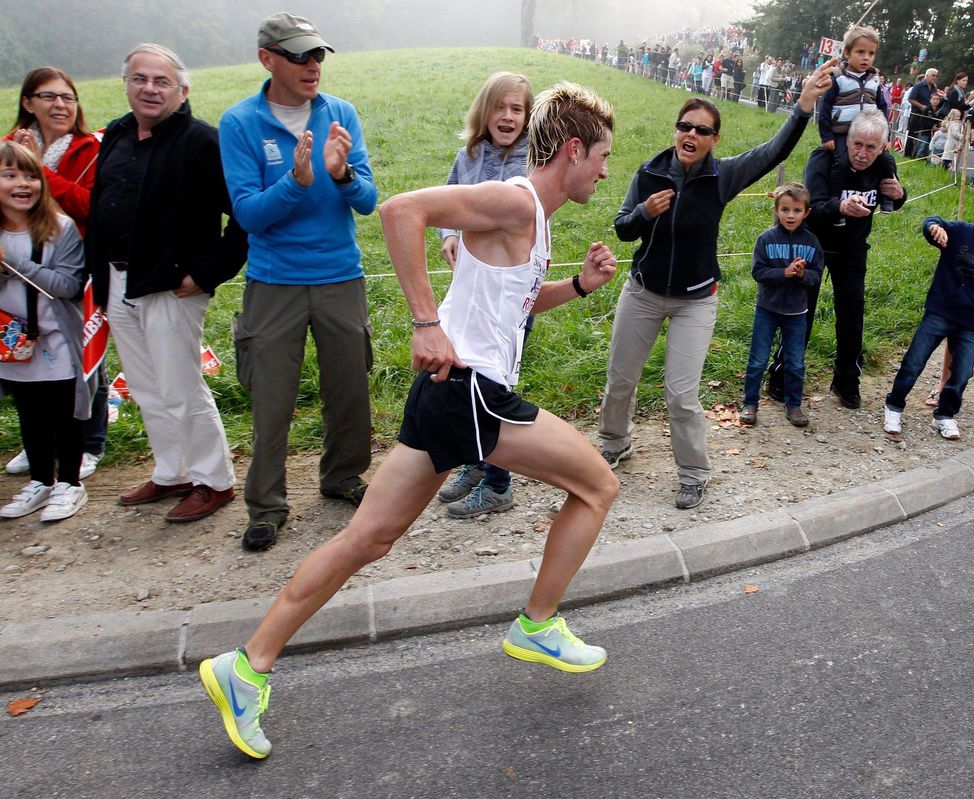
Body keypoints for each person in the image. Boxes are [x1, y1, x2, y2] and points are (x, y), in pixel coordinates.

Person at [199, 80, 620, 760]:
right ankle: (538, 623)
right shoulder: (515, 198)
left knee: (367, 539)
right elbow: (399, 211)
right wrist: (425, 321)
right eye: (602, 155)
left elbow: (507, 306)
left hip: (446, 393)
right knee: (599, 485)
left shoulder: (531, 216)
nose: (605, 170)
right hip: (470, 393)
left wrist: (576, 287)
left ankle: (246, 666)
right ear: (573, 150)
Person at [597, 58, 836, 510]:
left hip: (695, 301)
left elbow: (773, 153)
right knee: (620, 379)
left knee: (681, 392)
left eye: (702, 130)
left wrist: (803, 108)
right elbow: (623, 229)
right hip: (643, 293)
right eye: (685, 126)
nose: (691, 135)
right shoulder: (648, 174)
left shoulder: (721, 176)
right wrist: (645, 212)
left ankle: (693, 472)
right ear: (676, 131)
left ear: (714, 140)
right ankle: (615, 441)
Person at [219, 13, 378, 551]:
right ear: (268, 59)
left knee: (349, 390)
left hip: (341, 276)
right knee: (272, 401)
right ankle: (266, 506)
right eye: (299, 56)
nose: (313, 66)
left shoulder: (341, 114)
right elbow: (248, 215)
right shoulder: (240, 124)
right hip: (274, 283)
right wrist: (296, 181)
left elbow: (368, 201)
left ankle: (342, 478)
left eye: (318, 56)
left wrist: (341, 175)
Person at [86, 43, 246, 523]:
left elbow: (243, 215)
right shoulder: (115, 134)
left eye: (161, 81)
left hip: (173, 286)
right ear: (126, 84)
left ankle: (214, 480)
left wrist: (207, 272)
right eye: (139, 79)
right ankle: (172, 470)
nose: (149, 89)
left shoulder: (202, 141)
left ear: (183, 89)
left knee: (180, 386)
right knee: (145, 385)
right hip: (117, 279)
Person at [434, 71, 534, 518]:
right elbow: (447, 201)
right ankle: (478, 462)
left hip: (508, 293)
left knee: (491, 388)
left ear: (528, 117)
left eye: (517, 108)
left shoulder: (533, 162)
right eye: (501, 106)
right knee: (468, 380)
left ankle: (499, 484)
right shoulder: (469, 155)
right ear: (485, 111)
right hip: (472, 289)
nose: (508, 116)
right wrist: (449, 234)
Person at [4, 67, 106, 480]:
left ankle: (89, 443)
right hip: (17, 269)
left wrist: (43, 175)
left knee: (83, 355)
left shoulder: (89, 148)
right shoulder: (8, 150)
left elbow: (89, 204)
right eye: (48, 97)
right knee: (26, 357)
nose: (60, 105)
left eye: (68, 97)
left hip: (74, 261)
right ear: (28, 103)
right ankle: (40, 446)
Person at [882, 189, 974, 441]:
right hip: (941, 310)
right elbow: (932, 222)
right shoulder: (962, 232)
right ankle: (894, 406)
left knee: (962, 372)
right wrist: (934, 227)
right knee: (914, 361)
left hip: (971, 321)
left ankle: (944, 415)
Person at [0, 142, 90, 521]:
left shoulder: (60, 228)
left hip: (56, 340)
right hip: (11, 344)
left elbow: (68, 285)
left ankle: (70, 482)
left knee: (64, 412)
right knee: (30, 411)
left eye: (30, 175)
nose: (23, 184)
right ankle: (41, 479)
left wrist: (13, 263)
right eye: (9, 176)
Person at [803, 106, 908, 410]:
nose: (862, 153)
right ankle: (784, 376)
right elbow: (811, 207)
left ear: (883, 148)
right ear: (847, 141)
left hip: (852, 247)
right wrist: (841, 207)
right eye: (857, 145)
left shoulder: (885, 164)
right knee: (801, 312)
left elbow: (892, 198)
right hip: (814, 242)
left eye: (871, 147)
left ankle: (847, 380)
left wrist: (900, 195)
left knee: (852, 314)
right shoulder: (822, 158)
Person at [738, 182, 824, 428]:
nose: (790, 215)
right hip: (767, 309)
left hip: (797, 312)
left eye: (797, 210)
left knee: (795, 361)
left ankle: (794, 405)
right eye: (785, 209)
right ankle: (750, 403)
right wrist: (784, 273)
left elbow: (816, 274)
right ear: (776, 209)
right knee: (758, 359)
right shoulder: (765, 239)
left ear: (806, 212)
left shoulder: (812, 243)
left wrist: (801, 275)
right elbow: (758, 272)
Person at [817, 26, 897, 210]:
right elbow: (825, 107)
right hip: (842, 132)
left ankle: (887, 197)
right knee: (841, 162)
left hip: (868, 133)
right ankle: (835, 200)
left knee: (886, 160)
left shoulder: (875, 79)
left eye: (871, 53)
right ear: (847, 52)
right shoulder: (838, 77)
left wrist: (885, 135)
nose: (866, 57)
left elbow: (883, 107)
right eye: (860, 52)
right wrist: (826, 135)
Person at [905, 67, 939, 158]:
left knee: (925, 135)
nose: (935, 77)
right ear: (926, 75)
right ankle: (908, 154)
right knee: (913, 135)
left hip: (927, 116)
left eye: (936, 76)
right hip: (917, 114)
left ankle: (919, 155)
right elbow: (911, 99)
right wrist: (921, 106)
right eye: (933, 75)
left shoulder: (934, 88)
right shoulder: (918, 86)